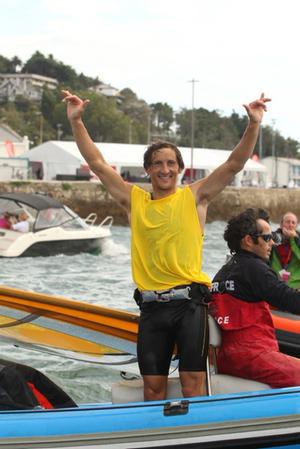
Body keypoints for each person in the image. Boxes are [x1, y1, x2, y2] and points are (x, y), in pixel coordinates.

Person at [62, 89, 270, 401]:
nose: (165, 169)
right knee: (153, 388)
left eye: (171, 163)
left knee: (193, 385)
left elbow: (233, 164)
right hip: (152, 309)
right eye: (157, 163)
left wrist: (253, 124)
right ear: (148, 169)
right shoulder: (134, 201)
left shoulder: (195, 197)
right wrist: (77, 121)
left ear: (179, 168)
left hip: (190, 307)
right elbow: (97, 163)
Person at [210, 208, 300, 388]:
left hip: (228, 355)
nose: (272, 243)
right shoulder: (254, 268)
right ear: (249, 241)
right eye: (267, 238)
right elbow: (289, 299)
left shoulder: (226, 269)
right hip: (251, 354)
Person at [270, 212, 300, 288]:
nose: (290, 225)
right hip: (278, 281)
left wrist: (294, 239)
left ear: (296, 226)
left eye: (293, 223)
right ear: (281, 224)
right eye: (287, 222)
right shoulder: (273, 238)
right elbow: (271, 262)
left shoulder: (298, 239)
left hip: (297, 283)